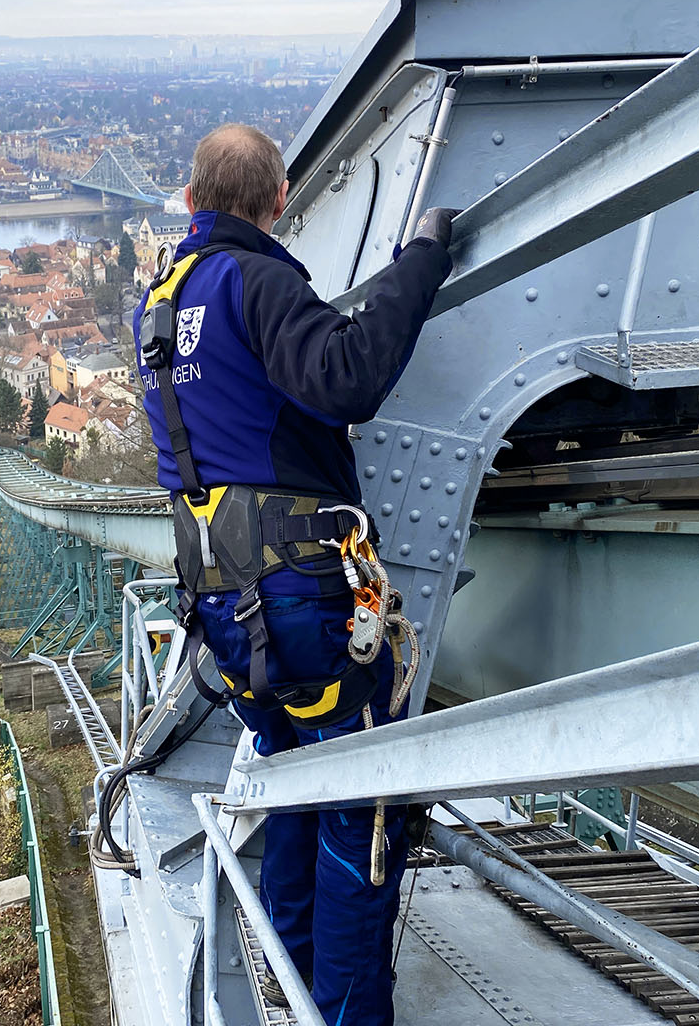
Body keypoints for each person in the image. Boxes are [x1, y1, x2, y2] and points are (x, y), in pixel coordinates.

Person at [132, 123, 454, 1026]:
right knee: (360, 804)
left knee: (292, 781)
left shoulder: (160, 304)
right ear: (279, 204)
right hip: (304, 595)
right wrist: (420, 261)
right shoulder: (258, 279)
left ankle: (289, 980)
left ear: (191, 202)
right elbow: (346, 379)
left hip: (224, 607)